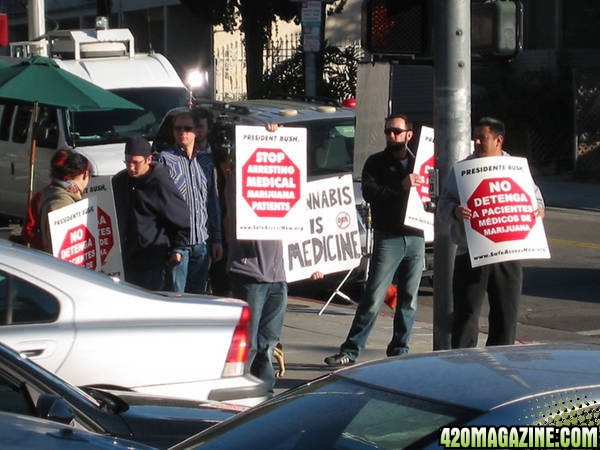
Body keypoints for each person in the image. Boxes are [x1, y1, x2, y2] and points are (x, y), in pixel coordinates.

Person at [324, 113, 426, 367]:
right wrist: (400, 186)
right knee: (373, 296)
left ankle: (399, 350)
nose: (391, 136)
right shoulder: (376, 163)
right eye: (388, 131)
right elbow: (371, 193)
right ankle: (351, 349)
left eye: (396, 132)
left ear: (409, 135)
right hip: (388, 236)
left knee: (409, 300)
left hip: (416, 236)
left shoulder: (420, 163)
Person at [437, 116, 545, 348]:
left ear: (498, 140)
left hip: (507, 254)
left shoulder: (515, 168)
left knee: (505, 317)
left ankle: (500, 365)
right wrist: (455, 211)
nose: (476, 142)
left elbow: (535, 198)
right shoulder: (463, 169)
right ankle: (464, 366)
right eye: (474, 138)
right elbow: (442, 206)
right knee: (466, 316)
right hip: (471, 253)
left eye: (481, 138)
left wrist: (538, 210)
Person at [112, 136, 190, 290]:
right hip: (127, 257)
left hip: (153, 259)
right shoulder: (120, 181)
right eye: (127, 162)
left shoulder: (160, 183)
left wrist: (178, 249)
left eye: (135, 163)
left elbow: (181, 218)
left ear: (148, 160)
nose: (131, 168)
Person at [158, 110, 223, 293]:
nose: (182, 132)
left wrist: (217, 238)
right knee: (176, 299)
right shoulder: (165, 159)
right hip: (178, 246)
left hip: (201, 242)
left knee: (198, 300)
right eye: (178, 128)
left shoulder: (206, 162)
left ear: (196, 131)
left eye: (187, 128)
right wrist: (171, 246)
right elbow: (161, 204)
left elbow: (212, 202)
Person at [39, 149, 91, 254]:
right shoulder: (62, 203)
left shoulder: (53, 192)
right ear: (85, 174)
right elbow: (65, 248)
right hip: (59, 266)